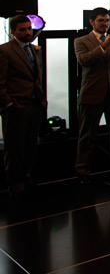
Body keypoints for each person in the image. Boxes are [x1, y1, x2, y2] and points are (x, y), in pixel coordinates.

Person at [74, 7, 110, 183]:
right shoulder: (81, 41)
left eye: (107, 20)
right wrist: (104, 45)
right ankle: (83, 170)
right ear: (92, 22)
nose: (105, 23)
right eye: (101, 20)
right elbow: (85, 61)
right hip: (92, 93)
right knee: (87, 134)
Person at [0, 15, 47, 204]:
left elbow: (36, 77)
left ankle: (24, 176)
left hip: (34, 104)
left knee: (30, 144)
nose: (28, 32)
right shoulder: (4, 51)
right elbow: (0, 82)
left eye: (29, 28)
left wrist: (41, 100)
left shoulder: (34, 49)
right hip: (16, 106)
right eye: (23, 29)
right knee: (14, 147)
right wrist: (8, 103)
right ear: (13, 31)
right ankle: (14, 183)